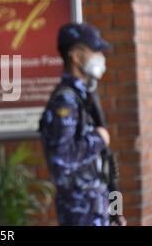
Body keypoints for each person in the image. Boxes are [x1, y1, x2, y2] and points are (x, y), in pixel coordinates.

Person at [39, 22, 126, 226]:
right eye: (95, 52)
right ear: (76, 57)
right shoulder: (66, 101)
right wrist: (98, 138)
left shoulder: (84, 97)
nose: (101, 58)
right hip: (80, 213)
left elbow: (105, 168)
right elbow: (61, 161)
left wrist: (115, 212)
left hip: (98, 211)